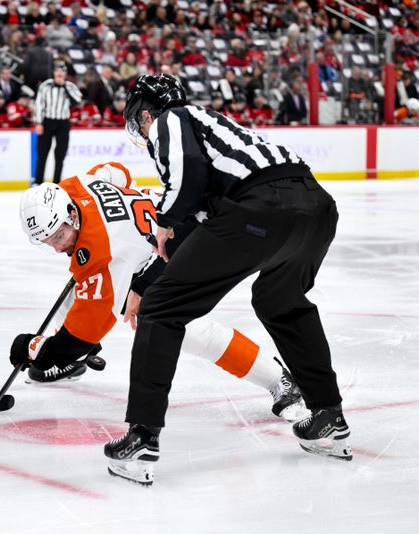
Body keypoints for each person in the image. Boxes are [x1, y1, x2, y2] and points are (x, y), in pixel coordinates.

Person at [105, 74, 349, 486]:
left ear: (146, 114)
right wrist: (146, 278)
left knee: (163, 310)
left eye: (139, 121)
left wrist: (162, 224)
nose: (142, 130)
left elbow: (185, 189)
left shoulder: (171, 119)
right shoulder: (220, 133)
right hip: (317, 209)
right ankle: (328, 415)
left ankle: (142, 436)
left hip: (262, 210)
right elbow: (193, 233)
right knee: (280, 300)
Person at [10, 162, 305, 423]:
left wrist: (37, 349)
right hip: (165, 233)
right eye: (48, 242)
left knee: (180, 327)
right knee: (82, 285)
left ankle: (278, 379)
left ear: (72, 215)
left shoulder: (103, 254)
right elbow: (116, 171)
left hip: (194, 245)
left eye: (59, 236)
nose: (57, 247)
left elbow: (79, 337)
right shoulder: (75, 187)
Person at [33, 63, 81, 185]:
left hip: (63, 123)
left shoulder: (70, 86)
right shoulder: (45, 85)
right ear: (54, 72)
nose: (59, 73)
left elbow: (77, 101)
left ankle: (56, 183)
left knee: (60, 155)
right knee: (42, 153)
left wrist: (64, 86)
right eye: (57, 71)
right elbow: (39, 104)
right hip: (47, 122)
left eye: (62, 71)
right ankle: (38, 182)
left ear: (65, 74)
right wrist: (39, 122)